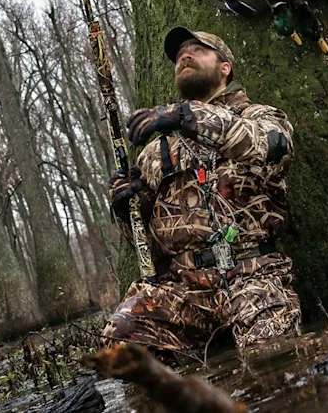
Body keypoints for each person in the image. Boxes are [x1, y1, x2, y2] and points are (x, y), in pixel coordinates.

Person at [102, 26, 301, 353]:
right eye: (180, 55)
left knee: (271, 355)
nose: (185, 55)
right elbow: (151, 253)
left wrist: (187, 115)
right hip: (187, 291)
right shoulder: (155, 153)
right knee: (120, 343)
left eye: (198, 49)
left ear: (225, 67)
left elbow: (275, 148)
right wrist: (128, 210)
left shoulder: (256, 117)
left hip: (251, 276)